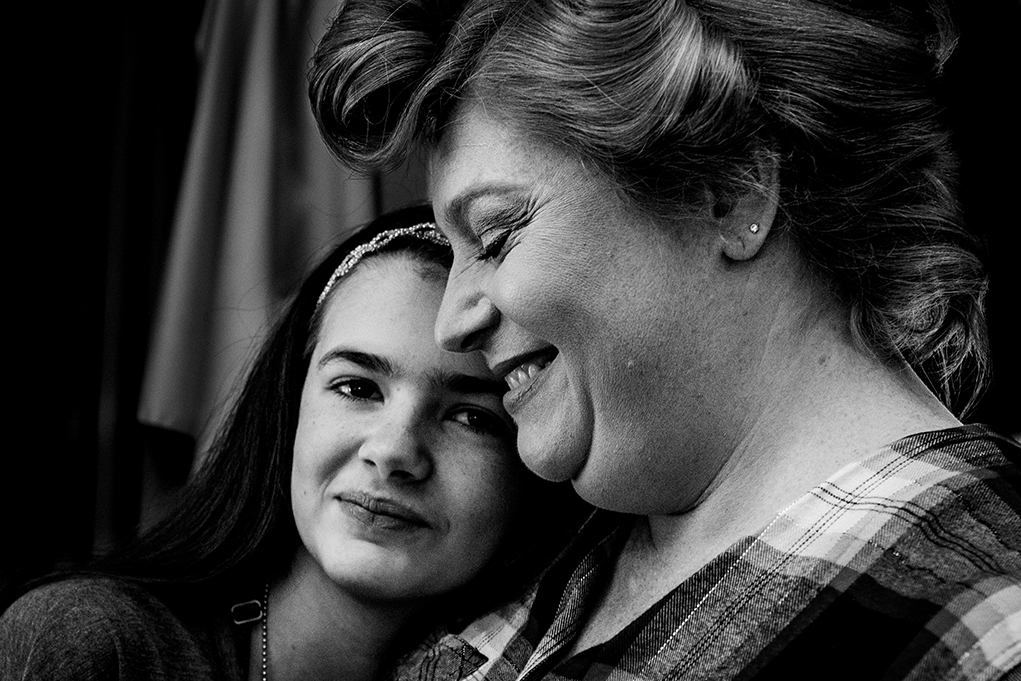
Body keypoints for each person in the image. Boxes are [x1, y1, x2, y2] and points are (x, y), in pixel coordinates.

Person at [308, 1, 1021, 679]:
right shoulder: (528, 551)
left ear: (730, 193)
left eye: (496, 236)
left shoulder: (987, 631)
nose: (452, 322)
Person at [1, 205, 582, 681]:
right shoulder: (91, 645)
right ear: (291, 406)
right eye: (357, 387)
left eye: (470, 418)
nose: (395, 451)